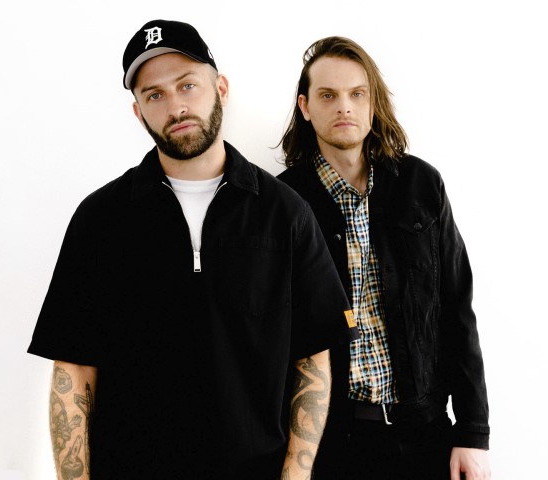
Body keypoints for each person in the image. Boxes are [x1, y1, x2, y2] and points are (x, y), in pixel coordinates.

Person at [28, 20, 358, 480]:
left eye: (187, 85)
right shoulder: (100, 219)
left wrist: (296, 475)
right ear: (138, 112)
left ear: (220, 88)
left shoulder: (284, 213)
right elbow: (74, 369)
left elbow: (312, 359)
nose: (176, 106)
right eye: (155, 95)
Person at [277, 36, 491, 479]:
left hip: (425, 434)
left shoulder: (421, 184)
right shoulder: (282, 204)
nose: (345, 107)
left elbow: (457, 309)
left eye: (357, 94)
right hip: (332, 445)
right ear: (305, 107)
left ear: (373, 103)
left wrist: (473, 432)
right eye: (328, 95)